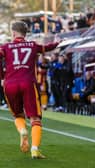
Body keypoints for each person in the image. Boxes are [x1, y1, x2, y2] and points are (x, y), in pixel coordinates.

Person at [0, 21, 60, 158]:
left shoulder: (6, 47)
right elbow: (47, 48)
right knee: (35, 118)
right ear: (25, 33)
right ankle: (34, 149)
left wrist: (2, 77)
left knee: (17, 115)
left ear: (13, 33)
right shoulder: (32, 45)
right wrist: (57, 42)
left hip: (10, 84)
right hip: (28, 83)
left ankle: (22, 130)